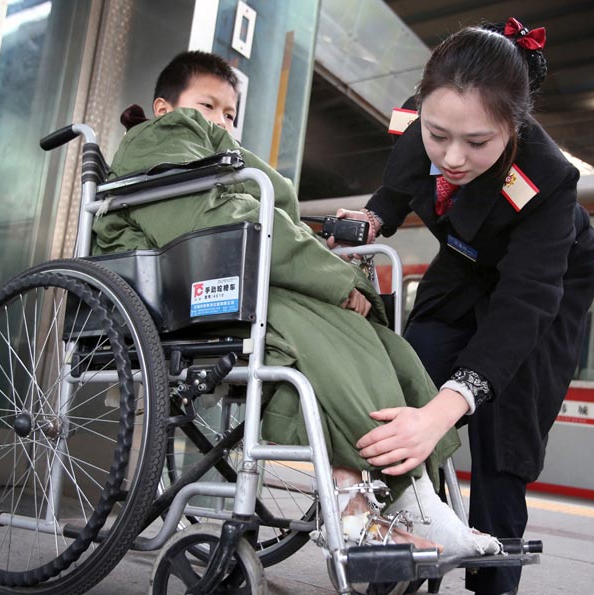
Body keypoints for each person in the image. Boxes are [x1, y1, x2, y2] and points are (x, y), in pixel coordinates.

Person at [92, 51, 501, 557]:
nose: (220, 120)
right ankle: (374, 503)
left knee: (385, 345)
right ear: (164, 107)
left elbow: (250, 223)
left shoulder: (213, 158)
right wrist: (333, 278)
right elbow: (222, 223)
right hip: (188, 290)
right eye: (208, 105)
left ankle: (409, 497)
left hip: (227, 284)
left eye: (229, 114)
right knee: (328, 337)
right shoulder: (164, 139)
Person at [341, 21, 594, 595]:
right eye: (439, 136)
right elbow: (399, 187)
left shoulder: (549, 178)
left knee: (504, 422)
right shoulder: (422, 121)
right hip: (463, 267)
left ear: (514, 129)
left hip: (546, 286)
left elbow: (523, 305)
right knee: (405, 383)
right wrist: (374, 220)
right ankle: (399, 546)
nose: (453, 157)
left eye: (477, 143)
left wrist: (448, 408)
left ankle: (497, 579)